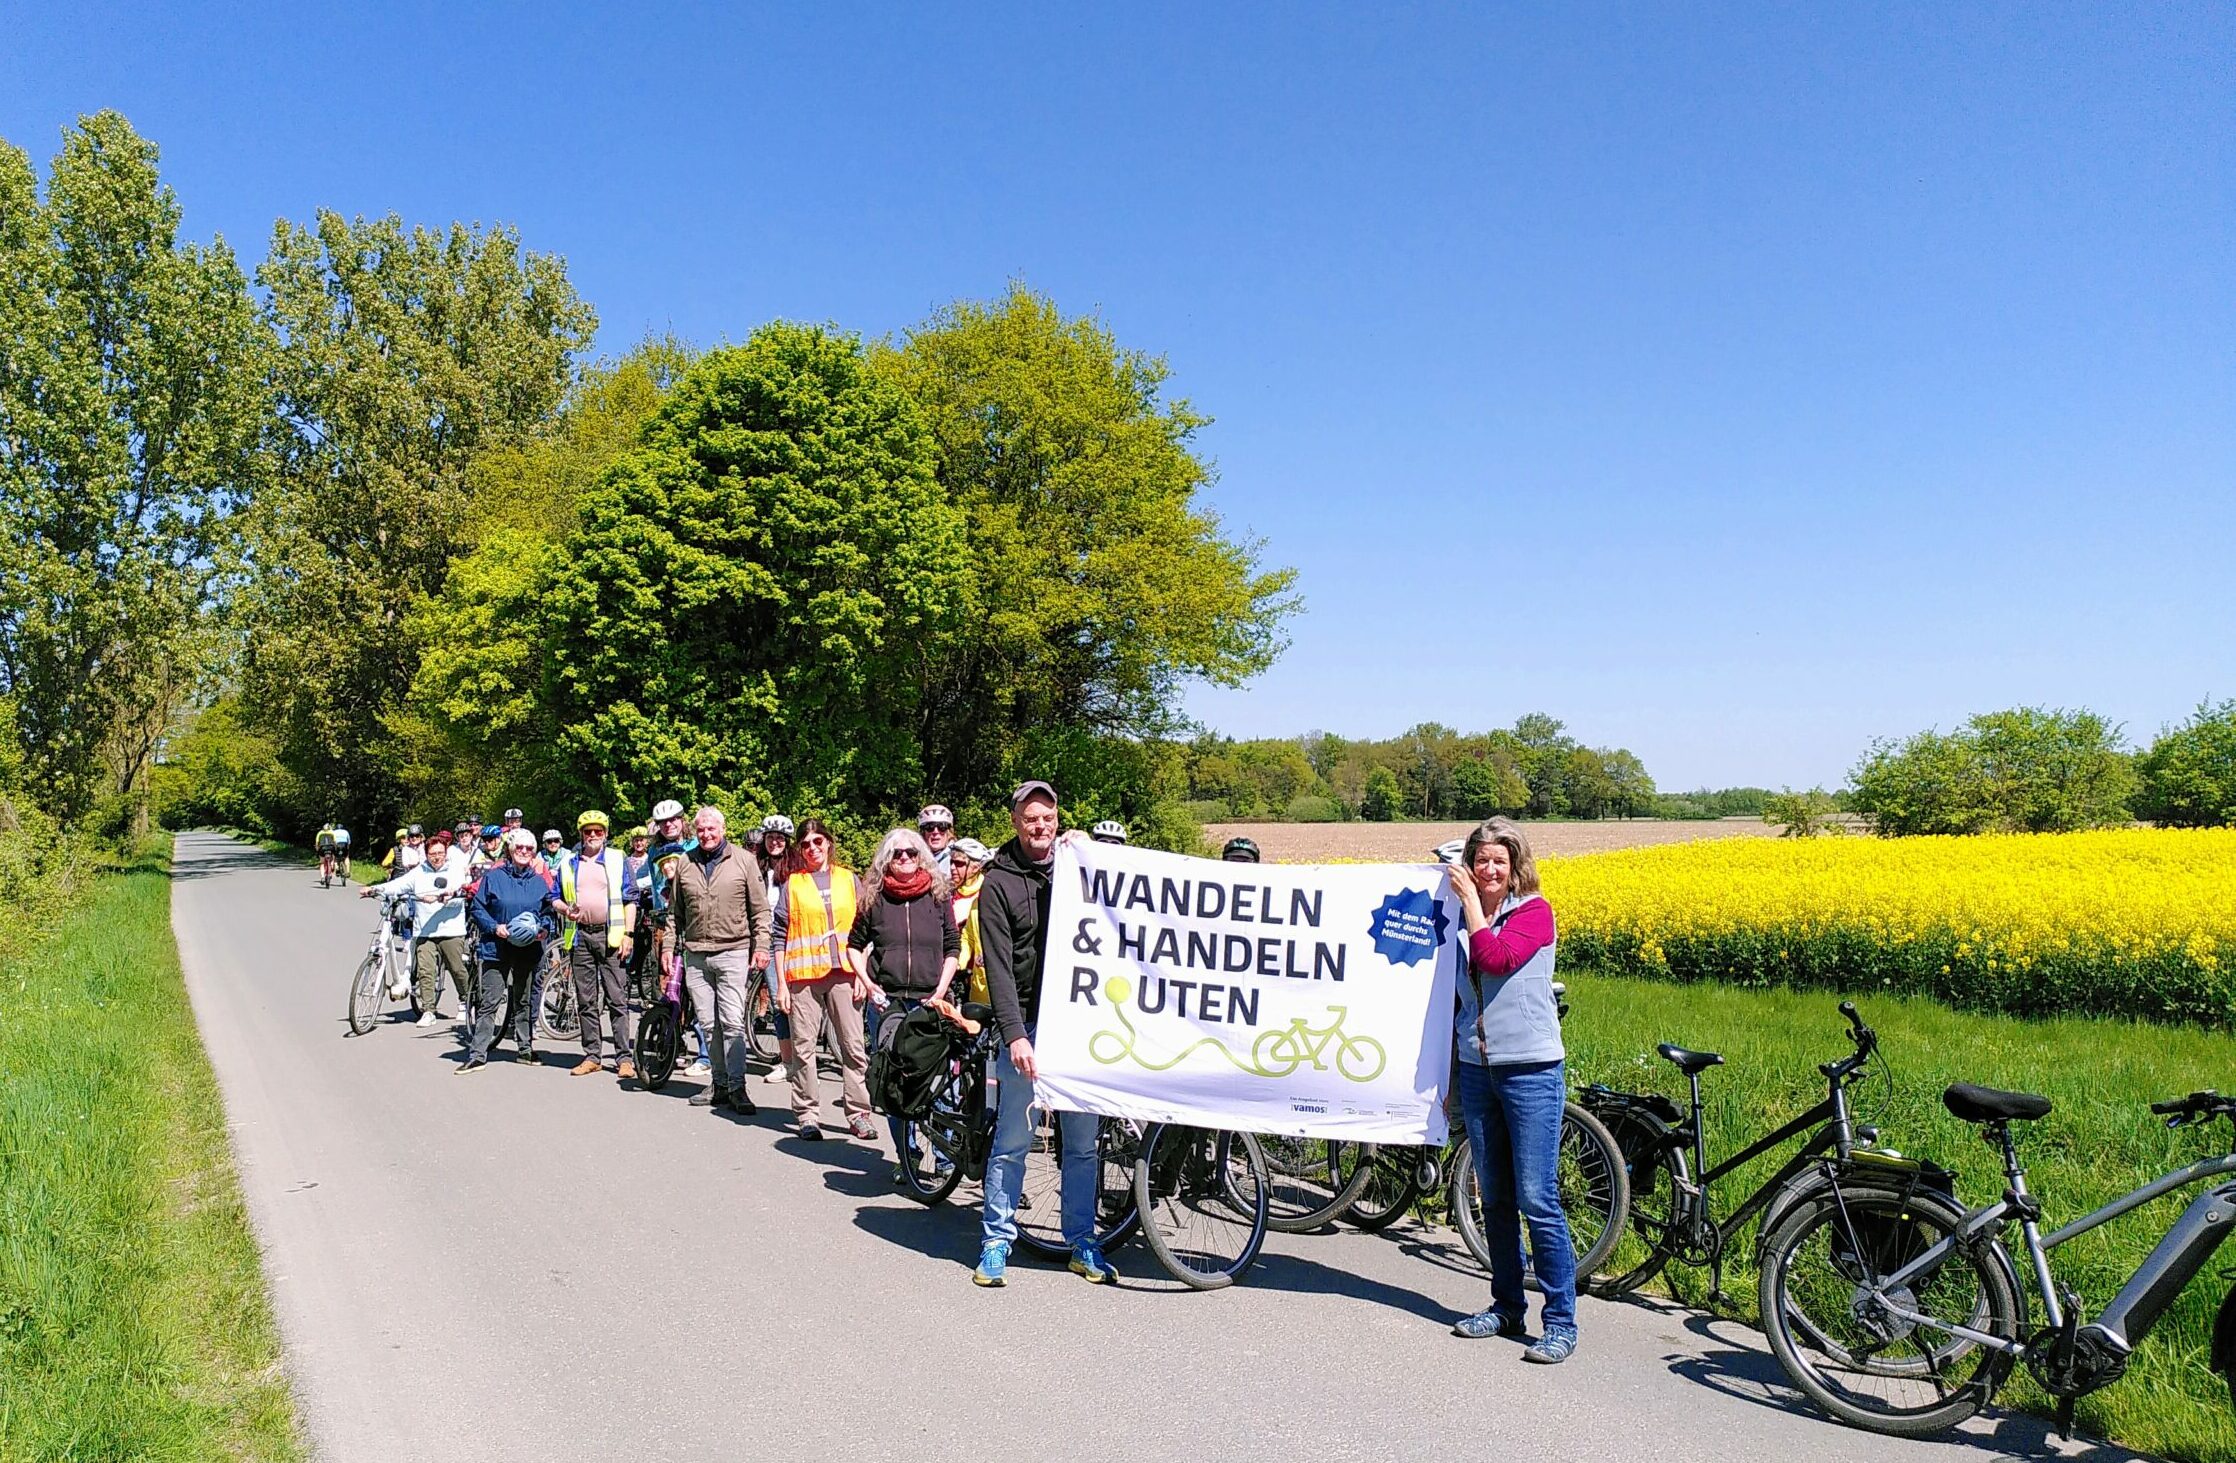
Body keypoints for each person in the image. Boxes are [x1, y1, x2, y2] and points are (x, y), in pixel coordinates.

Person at [1444, 816, 1575, 1363]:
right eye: (1480, 860)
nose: (1489, 869)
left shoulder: (1535, 914)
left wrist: (1471, 906)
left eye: (1499, 860)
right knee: (1493, 1197)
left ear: (1515, 865)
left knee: (1537, 1198)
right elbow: (1456, 1000)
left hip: (1530, 1071)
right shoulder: (1461, 923)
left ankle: (1561, 1321)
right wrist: (1451, 1074)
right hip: (1479, 1069)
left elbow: (1494, 961)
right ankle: (1506, 1306)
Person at [974, 779, 1113, 1287]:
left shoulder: (1075, 870)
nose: (1041, 827)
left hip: (1079, 1024)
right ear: (1016, 822)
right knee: (1015, 1138)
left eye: (1049, 819)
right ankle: (995, 1241)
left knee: (1082, 1143)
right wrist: (1015, 1034)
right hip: (1028, 1024)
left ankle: (1082, 1241)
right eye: (1032, 818)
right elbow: (1000, 967)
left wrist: (1090, 855)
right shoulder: (997, 884)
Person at [849, 827, 960, 1173]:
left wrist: (941, 990)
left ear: (922, 855)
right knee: (894, 1086)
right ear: (886, 858)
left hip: (931, 1001)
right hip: (889, 1002)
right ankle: (907, 1158)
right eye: (897, 854)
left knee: (939, 1084)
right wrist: (868, 983)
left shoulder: (939, 895)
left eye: (912, 852)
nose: (905, 859)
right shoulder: (874, 897)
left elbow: (953, 947)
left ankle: (944, 1158)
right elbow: (853, 946)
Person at [770, 817, 872, 1141]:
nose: (813, 848)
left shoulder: (849, 880)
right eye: (806, 844)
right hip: (803, 976)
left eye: (818, 841)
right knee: (803, 1048)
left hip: (845, 972)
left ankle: (858, 1114)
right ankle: (807, 1115)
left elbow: (868, 929)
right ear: (799, 849)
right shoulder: (793, 884)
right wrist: (783, 985)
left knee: (854, 1046)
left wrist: (863, 973)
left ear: (828, 842)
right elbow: (778, 937)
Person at [666, 806, 768, 1114]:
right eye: (701, 830)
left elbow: (760, 909)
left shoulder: (744, 860)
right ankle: (719, 1084)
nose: (706, 834)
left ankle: (738, 1087)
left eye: (712, 829)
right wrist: (668, 948)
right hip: (696, 953)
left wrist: (761, 945)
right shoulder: (686, 862)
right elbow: (675, 914)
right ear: (695, 832)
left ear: (722, 829)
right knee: (709, 1025)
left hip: (734, 950)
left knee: (733, 1021)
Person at [463, 829, 560, 1072]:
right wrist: (494, 927)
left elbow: (548, 912)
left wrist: (544, 930)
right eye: (520, 848)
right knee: (490, 1001)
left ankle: (525, 1049)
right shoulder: (494, 877)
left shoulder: (539, 882)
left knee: (524, 999)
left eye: (529, 849)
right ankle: (478, 1053)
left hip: (529, 948)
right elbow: (477, 908)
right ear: (510, 849)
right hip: (496, 947)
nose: (524, 852)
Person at [554, 810, 639, 1080]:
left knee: (617, 998)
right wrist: (565, 910)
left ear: (605, 834)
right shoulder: (568, 862)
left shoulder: (616, 859)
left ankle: (624, 1057)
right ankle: (592, 1056)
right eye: (588, 831)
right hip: (580, 936)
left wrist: (629, 933)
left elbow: (631, 898)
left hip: (611, 935)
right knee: (586, 1000)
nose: (593, 835)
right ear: (581, 834)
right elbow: (554, 897)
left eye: (598, 831)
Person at [362, 835, 476, 1026]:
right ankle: (428, 1010)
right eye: (432, 854)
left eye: (440, 853)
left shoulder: (455, 870)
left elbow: (461, 893)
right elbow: (398, 885)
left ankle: (467, 1001)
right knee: (425, 971)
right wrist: (374, 889)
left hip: (451, 930)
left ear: (446, 853)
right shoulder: (419, 872)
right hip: (424, 931)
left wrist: (442, 897)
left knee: (457, 969)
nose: (437, 857)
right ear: (427, 855)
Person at [756, 814, 798, 1086]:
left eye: (780, 838)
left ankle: (803, 1061)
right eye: (770, 838)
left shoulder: (796, 868)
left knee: (801, 1003)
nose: (775, 842)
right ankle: (787, 1063)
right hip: (767, 939)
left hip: (794, 938)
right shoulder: (755, 866)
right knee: (779, 1002)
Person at [949, 837, 991, 1003]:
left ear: (976, 867)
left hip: (984, 982)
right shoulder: (949, 893)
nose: (952, 868)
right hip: (958, 979)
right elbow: (967, 937)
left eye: (959, 864)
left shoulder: (986, 893)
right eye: (951, 862)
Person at [917, 804, 956, 877]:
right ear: (923, 832)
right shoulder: (914, 858)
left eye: (942, 827)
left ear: (949, 832)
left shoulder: (957, 858)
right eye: (929, 827)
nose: (935, 832)